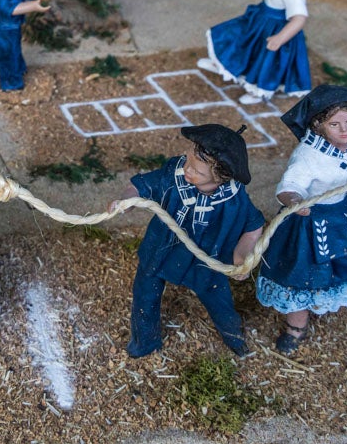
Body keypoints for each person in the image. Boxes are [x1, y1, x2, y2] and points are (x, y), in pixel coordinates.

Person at [255, 85, 347, 354]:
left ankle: (340, 293)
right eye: (335, 124)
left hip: (343, 216)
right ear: (318, 124)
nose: (345, 130)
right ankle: (296, 327)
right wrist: (295, 201)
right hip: (309, 222)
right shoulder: (308, 157)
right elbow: (288, 187)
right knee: (302, 275)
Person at [111, 124, 264, 358]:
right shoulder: (174, 174)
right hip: (162, 250)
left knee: (219, 301)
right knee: (145, 295)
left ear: (220, 177)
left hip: (206, 260)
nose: (188, 171)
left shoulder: (233, 200)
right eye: (188, 162)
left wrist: (241, 256)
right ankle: (144, 341)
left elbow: (253, 226)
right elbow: (140, 185)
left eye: (198, 172)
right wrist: (127, 200)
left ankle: (233, 337)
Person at [197, 0, 311, 105]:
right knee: (238, 37)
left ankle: (260, 91)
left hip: (276, 28)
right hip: (260, 21)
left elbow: (299, 18)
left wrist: (280, 38)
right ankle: (224, 63)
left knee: (267, 61)